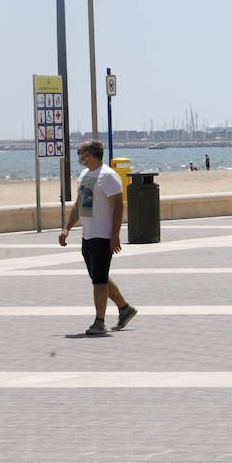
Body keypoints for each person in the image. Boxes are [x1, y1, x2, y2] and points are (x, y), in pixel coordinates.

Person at [58, 140, 138, 337]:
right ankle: (125, 308)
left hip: (102, 235)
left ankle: (99, 322)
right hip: (88, 235)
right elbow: (79, 205)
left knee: (99, 281)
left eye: (81, 152)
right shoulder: (85, 175)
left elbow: (119, 207)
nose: (79, 155)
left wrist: (115, 235)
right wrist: (67, 227)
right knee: (98, 276)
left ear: (90, 154)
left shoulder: (108, 176)